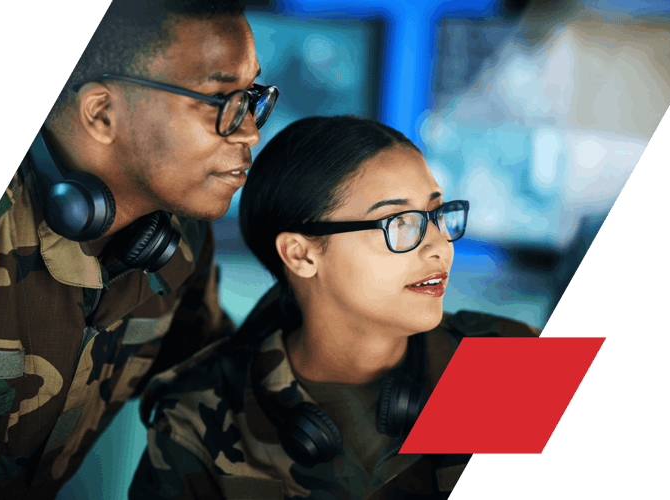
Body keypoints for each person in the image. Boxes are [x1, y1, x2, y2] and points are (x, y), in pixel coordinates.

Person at [0, 1, 279, 499]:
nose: (250, 131)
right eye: (220, 99)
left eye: (252, 97)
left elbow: (220, 380)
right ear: (102, 113)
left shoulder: (178, 238)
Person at [130, 115, 542, 499]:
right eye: (399, 222)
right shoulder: (195, 418)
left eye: (436, 214)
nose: (439, 245)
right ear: (300, 255)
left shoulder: (512, 362)